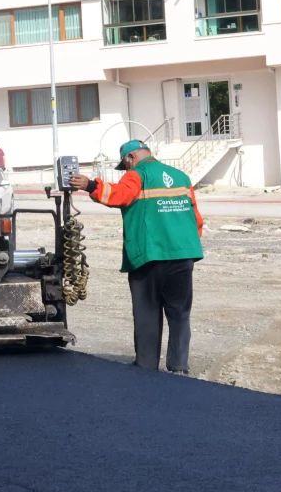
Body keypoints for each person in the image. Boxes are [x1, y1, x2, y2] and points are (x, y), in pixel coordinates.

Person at [67, 140, 203, 374]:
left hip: (148, 257)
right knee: (179, 312)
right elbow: (196, 219)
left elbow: (118, 195)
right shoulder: (181, 177)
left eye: (126, 164)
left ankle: (147, 366)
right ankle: (179, 366)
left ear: (130, 158)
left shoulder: (136, 175)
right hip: (183, 254)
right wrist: (184, 246)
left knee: (147, 312)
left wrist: (90, 185)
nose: (127, 169)